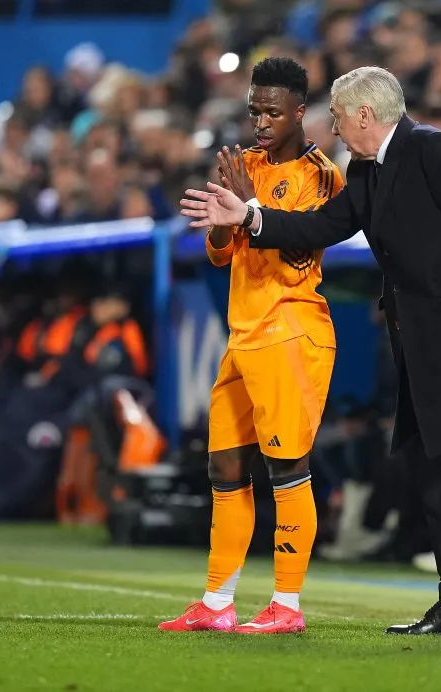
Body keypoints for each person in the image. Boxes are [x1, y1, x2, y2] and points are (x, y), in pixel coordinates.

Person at [181, 66, 441, 637]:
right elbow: (322, 226)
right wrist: (250, 216)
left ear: (364, 114)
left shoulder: (434, 150)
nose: (329, 126)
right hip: (428, 344)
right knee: (436, 473)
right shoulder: (366, 169)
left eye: (335, 115)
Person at [159, 57, 344, 635]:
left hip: (291, 329)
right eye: (254, 109)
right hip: (243, 334)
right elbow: (222, 252)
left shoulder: (321, 176)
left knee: (287, 467)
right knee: (225, 467)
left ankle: (286, 605)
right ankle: (217, 603)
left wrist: (253, 209)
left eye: (273, 110)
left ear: (299, 111)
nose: (261, 121)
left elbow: (298, 250)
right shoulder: (246, 167)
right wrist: (221, 218)